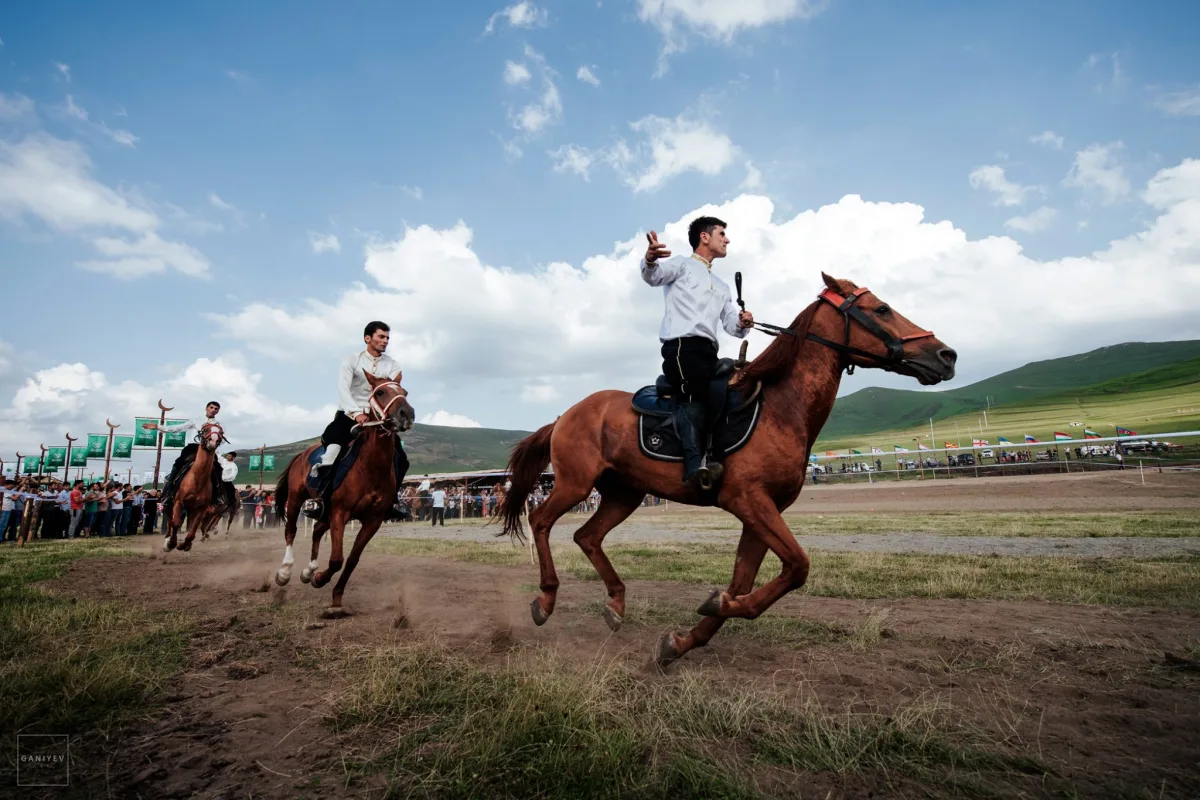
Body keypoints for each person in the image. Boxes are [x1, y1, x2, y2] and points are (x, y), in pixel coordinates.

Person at [641, 216, 754, 490]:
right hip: (680, 346)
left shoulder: (723, 286)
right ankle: (694, 466)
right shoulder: (681, 265)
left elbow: (731, 327)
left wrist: (743, 322)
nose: (726, 239)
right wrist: (650, 259)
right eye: (722, 233)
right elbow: (653, 276)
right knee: (694, 393)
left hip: (708, 351)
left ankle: (719, 453)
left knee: (728, 389)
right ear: (705, 237)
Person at [311, 321, 402, 480]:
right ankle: (321, 496)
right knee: (333, 447)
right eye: (381, 336)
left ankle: (392, 499)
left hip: (379, 418)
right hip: (349, 415)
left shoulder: (393, 365)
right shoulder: (351, 360)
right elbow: (343, 389)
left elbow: (392, 391)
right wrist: (357, 413)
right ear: (368, 338)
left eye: (387, 338)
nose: (386, 341)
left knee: (401, 458)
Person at [143, 401, 228, 515]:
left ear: (218, 411)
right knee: (177, 465)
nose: (213, 409)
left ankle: (217, 497)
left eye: (216, 408)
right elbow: (178, 428)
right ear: (206, 408)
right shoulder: (196, 420)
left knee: (218, 469)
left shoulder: (219, 425)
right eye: (211, 407)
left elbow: (221, 439)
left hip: (209, 450)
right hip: (193, 448)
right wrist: (158, 427)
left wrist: (214, 443)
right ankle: (167, 494)